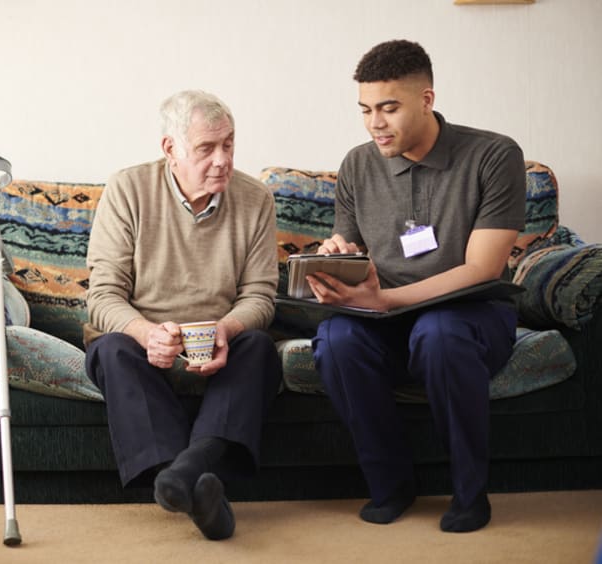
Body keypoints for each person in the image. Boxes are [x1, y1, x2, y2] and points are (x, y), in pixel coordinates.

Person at [309, 40, 526, 533]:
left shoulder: (494, 155)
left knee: (439, 333)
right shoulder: (358, 165)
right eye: (365, 110)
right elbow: (355, 250)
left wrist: (386, 299)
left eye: (389, 107)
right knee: (336, 341)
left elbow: (483, 268)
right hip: (386, 316)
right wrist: (338, 258)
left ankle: (470, 494)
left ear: (426, 99)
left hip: (470, 314)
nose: (374, 123)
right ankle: (391, 485)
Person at [84, 90, 281, 541]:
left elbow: (261, 296)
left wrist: (227, 328)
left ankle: (182, 473)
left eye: (228, 144)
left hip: (220, 349)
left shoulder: (255, 199)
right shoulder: (127, 189)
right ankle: (197, 479)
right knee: (110, 349)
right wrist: (146, 332)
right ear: (170, 149)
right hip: (142, 346)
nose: (222, 160)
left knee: (260, 347)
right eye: (206, 148)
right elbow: (103, 296)